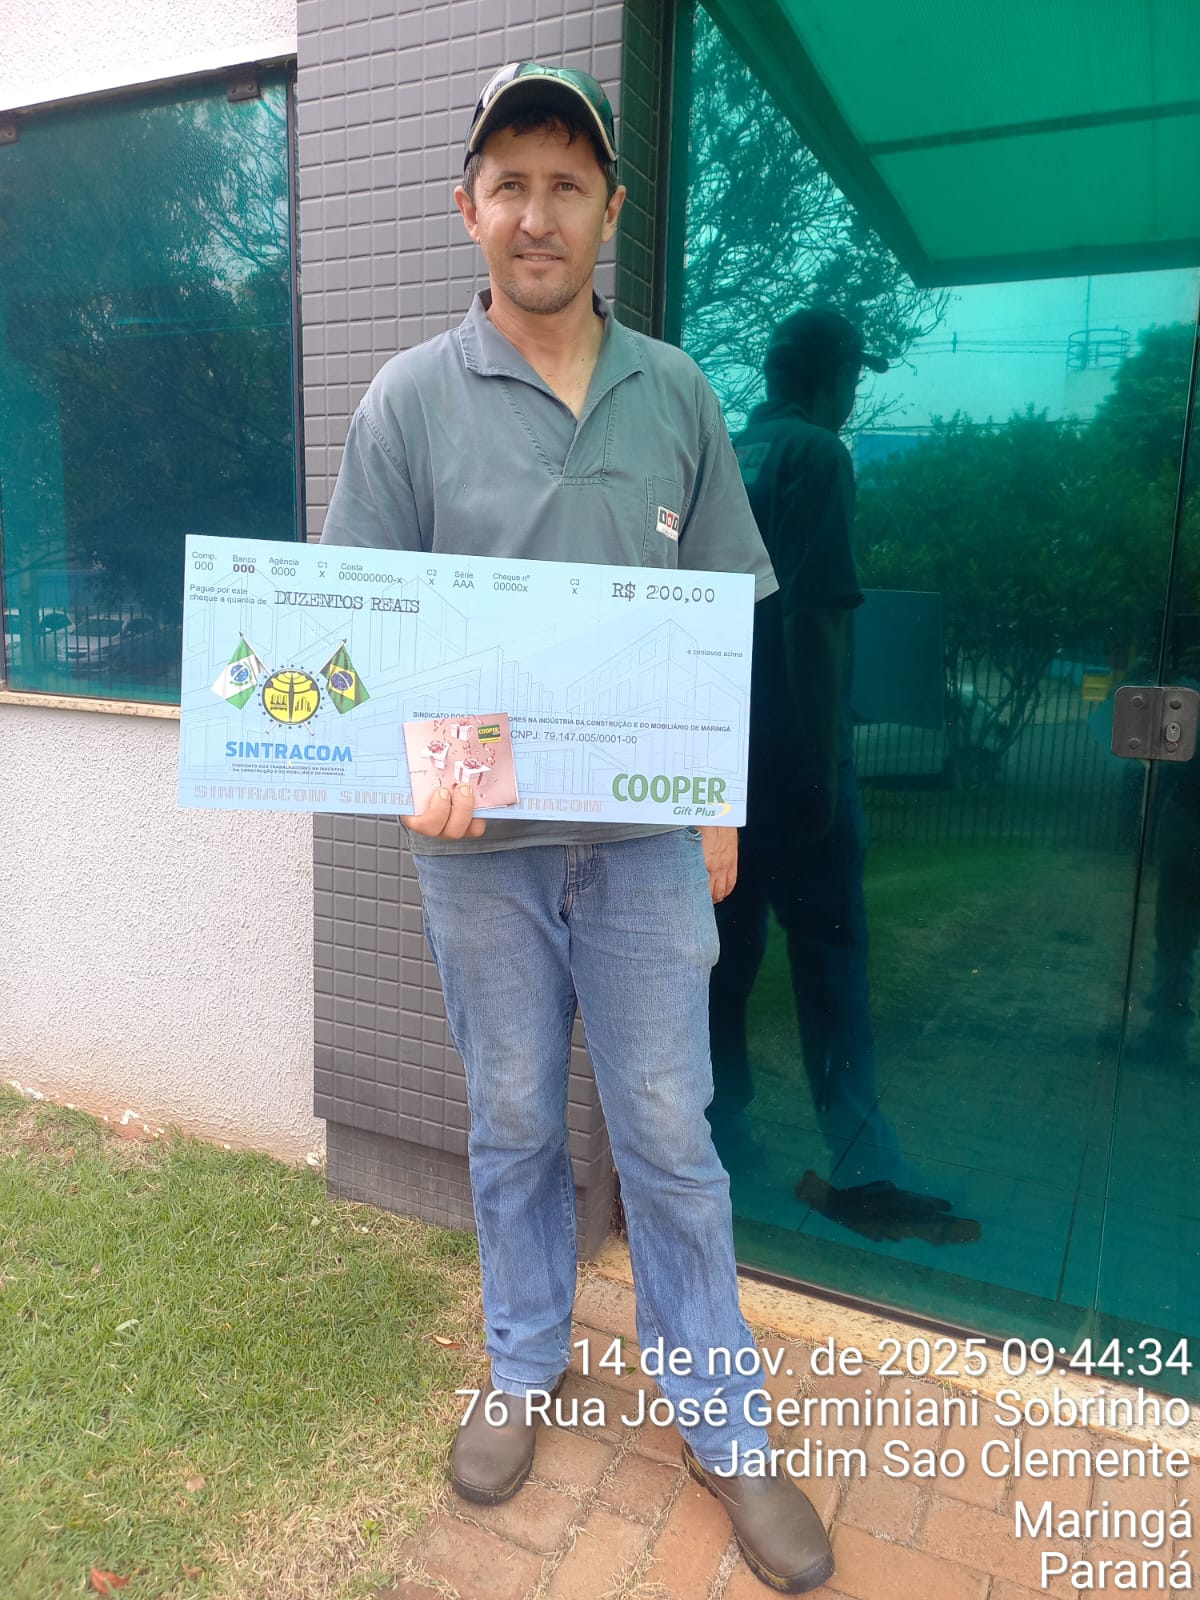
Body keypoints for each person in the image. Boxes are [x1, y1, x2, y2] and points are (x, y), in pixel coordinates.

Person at [321, 63, 835, 1595]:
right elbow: (359, 630)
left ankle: (722, 1419)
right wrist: (408, 758)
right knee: (515, 1122)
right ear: (466, 207)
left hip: (641, 849)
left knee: (669, 1134)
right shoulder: (408, 400)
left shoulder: (676, 394)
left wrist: (717, 802)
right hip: (477, 852)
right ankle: (524, 1358)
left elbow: (720, 618)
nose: (536, 213)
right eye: (509, 184)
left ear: (612, 206)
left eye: (565, 184)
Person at [708, 309, 978, 1246]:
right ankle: (865, 1173)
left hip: (723, 764)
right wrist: (823, 763)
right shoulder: (816, 455)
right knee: (831, 966)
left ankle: (723, 1134)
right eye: (854, 376)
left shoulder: (728, 452)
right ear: (830, 377)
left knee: (727, 959)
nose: (854, 394)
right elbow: (815, 617)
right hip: (793, 761)